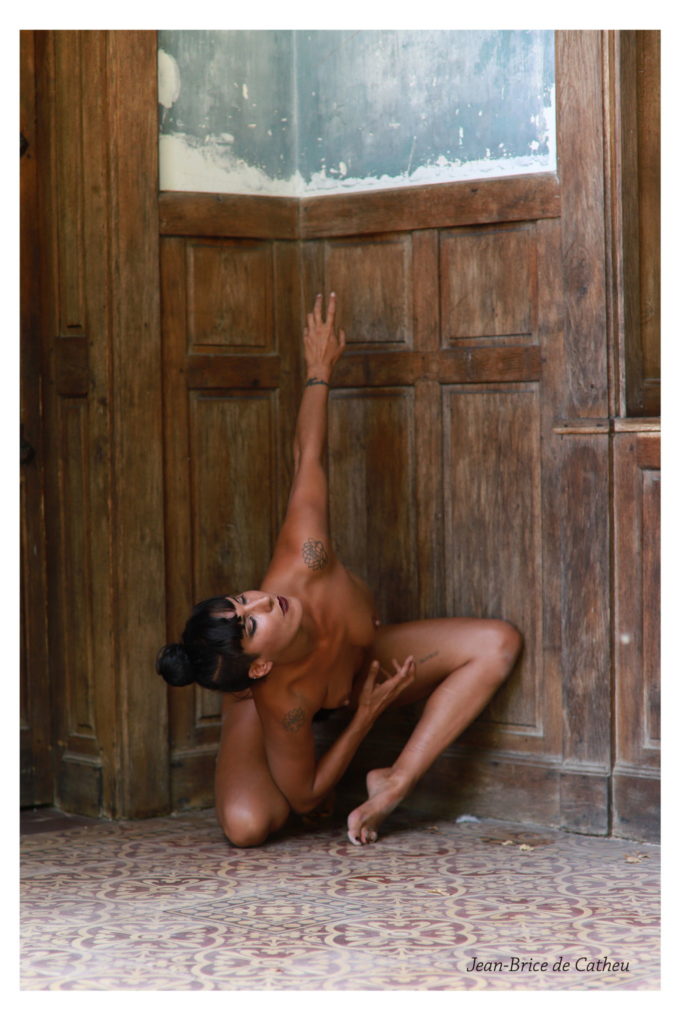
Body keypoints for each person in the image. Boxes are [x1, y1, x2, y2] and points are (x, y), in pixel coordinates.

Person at [156, 293, 522, 847]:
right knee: (249, 826)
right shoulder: (278, 697)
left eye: (243, 599)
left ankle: (394, 781)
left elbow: (307, 455)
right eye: (252, 621)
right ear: (258, 665)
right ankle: (239, 710)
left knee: (496, 643)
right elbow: (306, 795)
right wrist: (364, 717)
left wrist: (319, 371)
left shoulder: (307, 559)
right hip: (290, 698)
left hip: (356, 669)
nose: (263, 601)